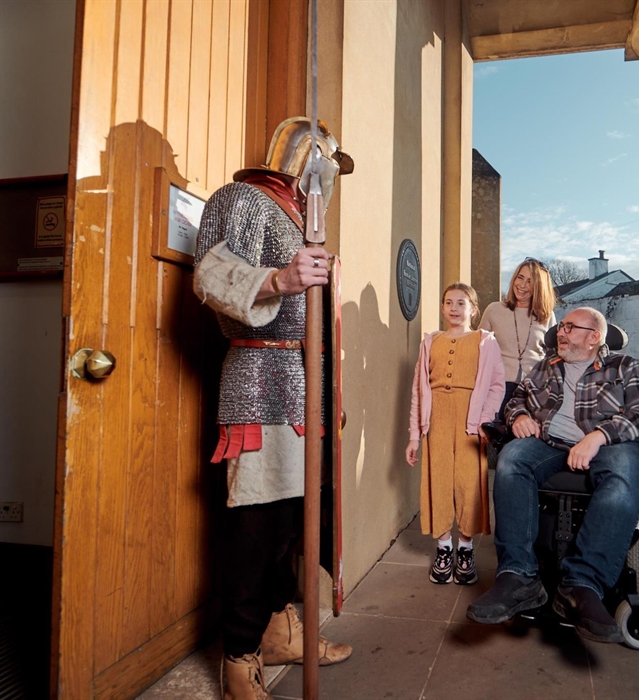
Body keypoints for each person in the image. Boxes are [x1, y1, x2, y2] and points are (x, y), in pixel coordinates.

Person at [194, 117, 352, 700]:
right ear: (304, 157)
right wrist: (280, 279)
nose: (329, 178)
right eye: (326, 165)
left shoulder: (301, 219)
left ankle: (282, 631)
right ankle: (238, 658)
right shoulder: (242, 199)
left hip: (305, 387)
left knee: (292, 524)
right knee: (255, 527)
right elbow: (210, 274)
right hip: (261, 377)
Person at [466, 307, 639, 643]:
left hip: (607, 444)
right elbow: (518, 398)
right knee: (512, 458)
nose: (561, 332)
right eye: (561, 326)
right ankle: (519, 577)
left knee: (628, 469)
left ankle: (581, 585)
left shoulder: (624, 367)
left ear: (594, 337)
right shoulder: (547, 366)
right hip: (551, 443)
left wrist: (598, 436)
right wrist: (519, 416)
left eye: (570, 327)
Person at [406, 283, 505, 585]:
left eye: (461, 303)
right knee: (438, 483)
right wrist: (413, 435)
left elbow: (497, 385)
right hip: (436, 420)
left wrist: (484, 420)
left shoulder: (484, 341)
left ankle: (464, 549)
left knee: (468, 483)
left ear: (473, 309)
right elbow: (417, 392)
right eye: (448, 302)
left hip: (470, 420)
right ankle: (443, 548)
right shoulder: (430, 342)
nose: (453, 308)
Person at [479, 258, 556, 415]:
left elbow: (553, 357)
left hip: (533, 391)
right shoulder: (494, 310)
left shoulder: (547, 316)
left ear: (539, 287)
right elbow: (477, 349)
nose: (522, 285)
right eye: (520, 277)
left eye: (530, 281)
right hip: (497, 387)